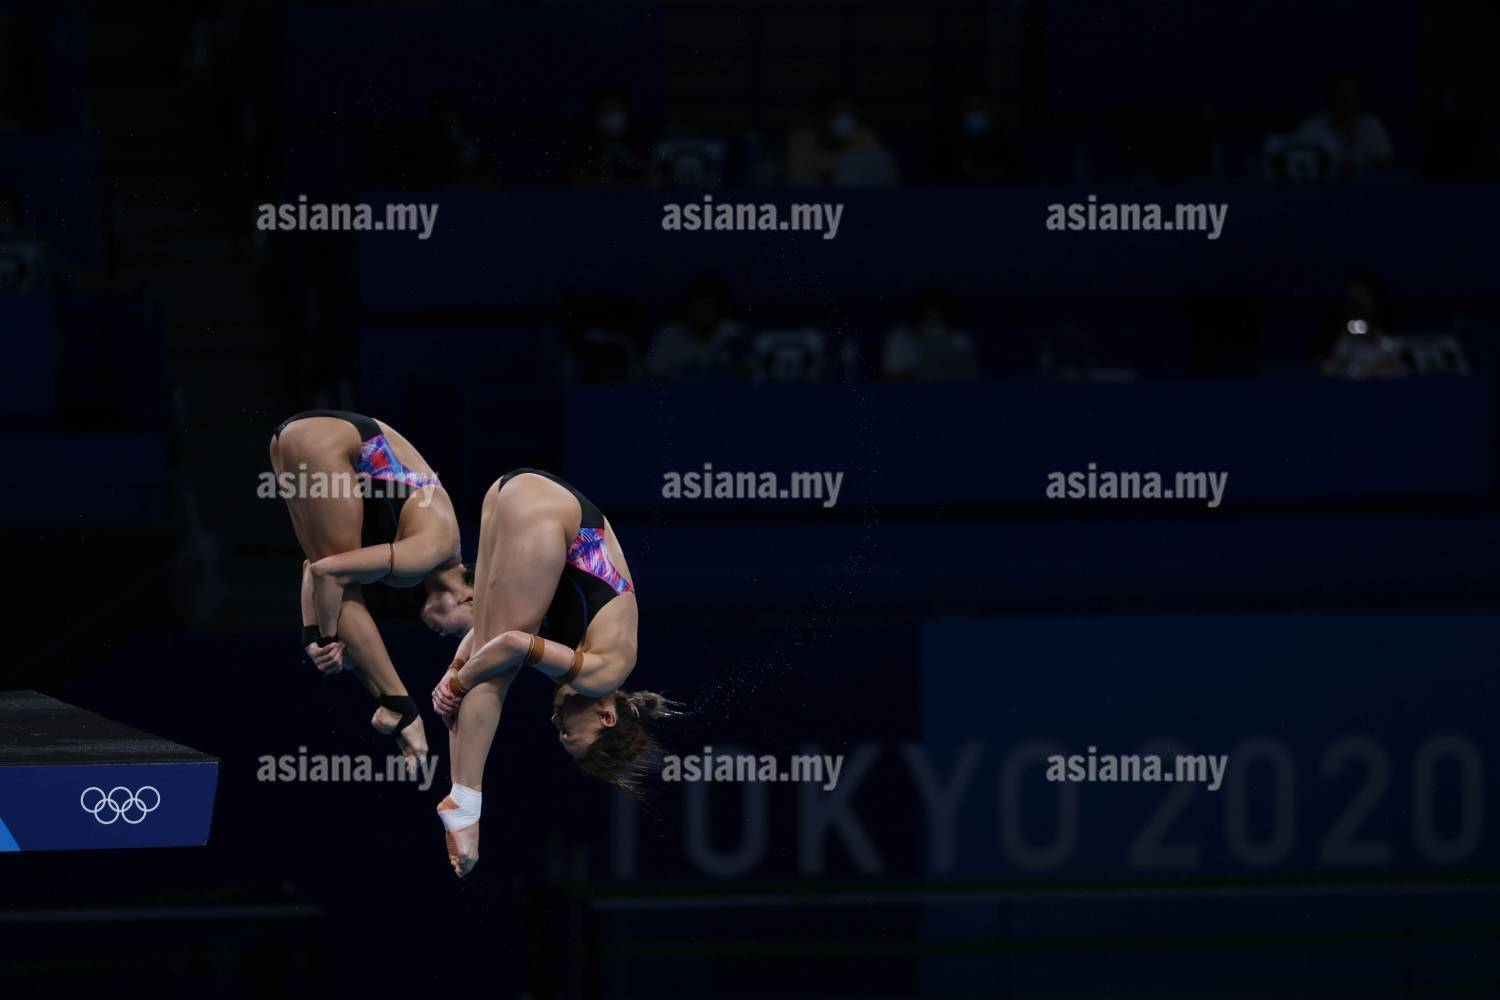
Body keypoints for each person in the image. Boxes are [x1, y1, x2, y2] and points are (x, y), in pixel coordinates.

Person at [429, 469, 675, 877]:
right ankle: (466, 805)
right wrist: (457, 683)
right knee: (497, 671)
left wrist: (455, 669)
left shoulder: (593, 661)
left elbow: (486, 634)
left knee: (486, 655)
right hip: (548, 512)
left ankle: (463, 798)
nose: (555, 722)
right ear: (606, 717)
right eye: (568, 733)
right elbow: (512, 645)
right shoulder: (602, 675)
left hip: (516, 492)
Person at [268, 410, 473, 770]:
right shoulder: (432, 550)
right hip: (326, 439)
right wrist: (328, 638)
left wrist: (314, 636)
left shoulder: (421, 564)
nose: (446, 636)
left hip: (296, 438)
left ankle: (399, 708)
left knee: (343, 584)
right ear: (469, 598)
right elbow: (328, 574)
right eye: (461, 631)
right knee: (343, 582)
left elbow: (314, 570)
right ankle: (403, 710)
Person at [1296, 70, 1394, 178]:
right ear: (1331, 96)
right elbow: (1300, 166)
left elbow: (1386, 163)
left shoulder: (1372, 126)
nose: (1346, 100)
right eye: (1341, 94)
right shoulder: (1311, 128)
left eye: (1351, 94)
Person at [881, 292, 980, 380]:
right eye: (928, 312)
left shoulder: (959, 338)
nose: (932, 316)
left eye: (936, 312)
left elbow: (969, 373)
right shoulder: (901, 337)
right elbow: (893, 375)